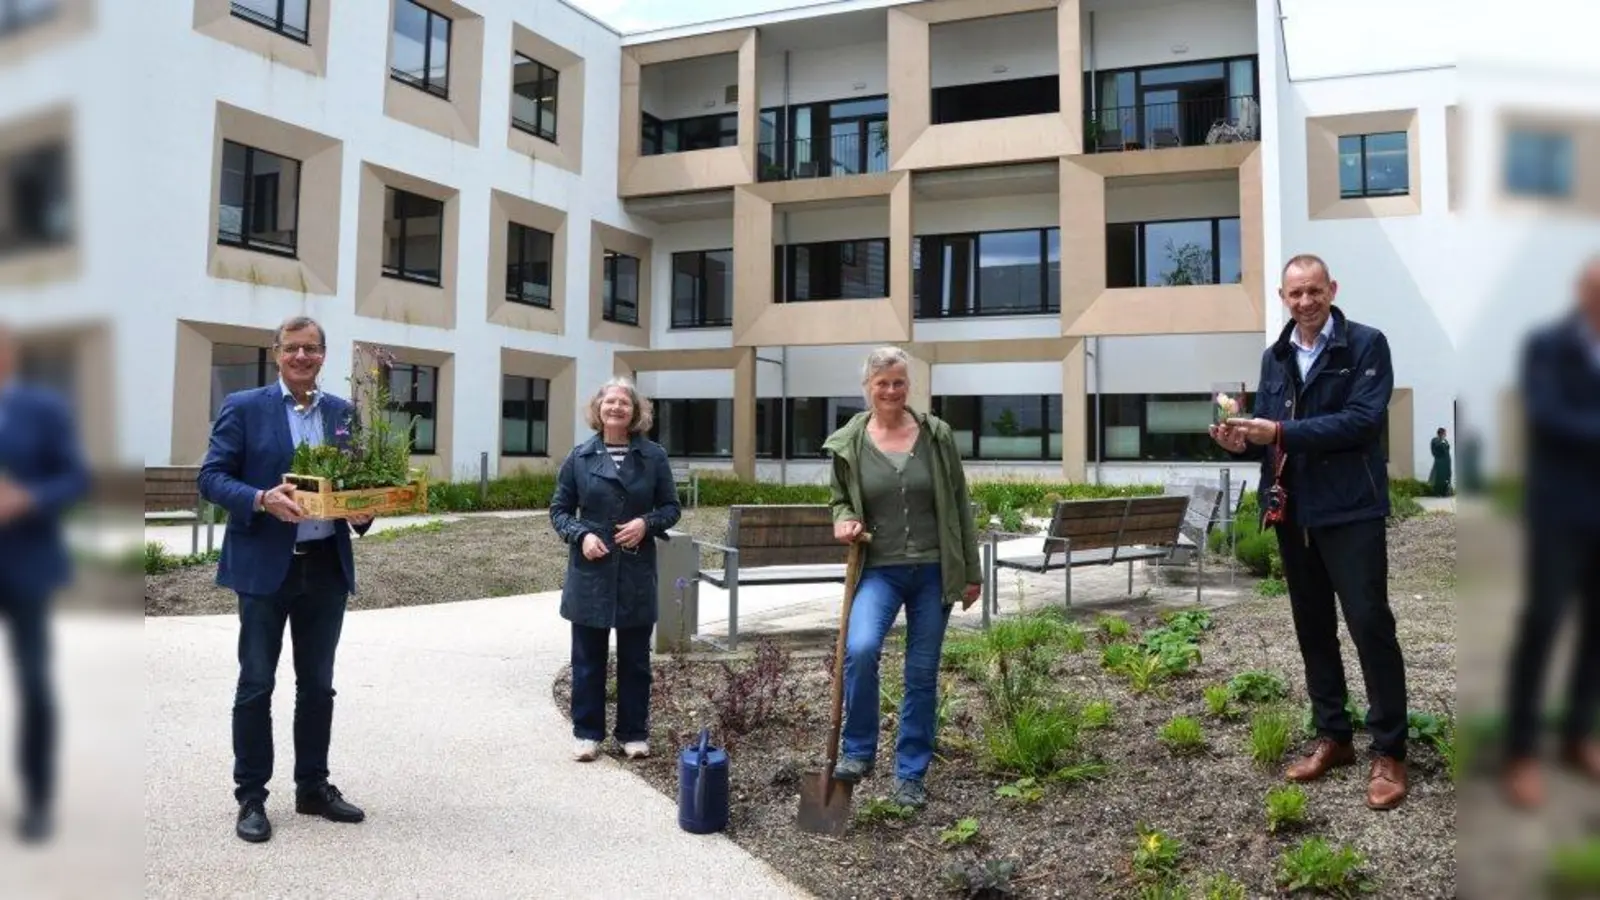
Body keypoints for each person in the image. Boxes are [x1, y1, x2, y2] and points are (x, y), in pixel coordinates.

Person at [1210, 253, 1411, 811]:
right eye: (1295, 294)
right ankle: (1334, 737)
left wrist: (1278, 429)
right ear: (1283, 296)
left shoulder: (1366, 345)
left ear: (1332, 290)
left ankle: (1390, 749)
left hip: (1351, 511)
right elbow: (1274, 437)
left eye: (1314, 291)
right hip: (1295, 514)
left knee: (1370, 625)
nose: (1305, 302)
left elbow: (1363, 422)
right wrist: (1244, 441)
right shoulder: (1274, 357)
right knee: (1313, 628)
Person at [197, 315, 372, 844]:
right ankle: (251, 795)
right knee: (256, 684)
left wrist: (366, 509)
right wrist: (259, 499)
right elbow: (210, 476)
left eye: (312, 349)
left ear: (324, 356)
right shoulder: (245, 408)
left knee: (317, 686)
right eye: (292, 349)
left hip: (324, 567)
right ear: (277, 354)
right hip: (264, 570)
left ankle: (313, 787)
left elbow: (359, 485)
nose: (302, 357)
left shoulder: (343, 414)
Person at [823, 346, 982, 810]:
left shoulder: (936, 435)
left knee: (920, 673)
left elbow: (959, 501)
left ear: (907, 386)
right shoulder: (848, 442)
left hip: (934, 570)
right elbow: (840, 501)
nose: (891, 391)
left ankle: (910, 775)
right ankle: (858, 751)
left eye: (898, 382)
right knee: (861, 647)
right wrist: (844, 520)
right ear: (868, 388)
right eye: (882, 383)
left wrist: (971, 573)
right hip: (880, 570)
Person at [1501, 256, 1600, 810]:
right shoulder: (1547, 346)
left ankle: (1577, 735)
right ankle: (1522, 753)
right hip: (1561, 516)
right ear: (1583, 293)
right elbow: (1548, 416)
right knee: (1542, 629)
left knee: (1597, 633)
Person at [549, 377, 680, 763]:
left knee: (635, 660)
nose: (617, 408)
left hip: (636, 569)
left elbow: (671, 508)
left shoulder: (653, 456)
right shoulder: (580, 457)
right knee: (588, 657)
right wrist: (581, 535)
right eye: (610, 402)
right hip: (592, 569)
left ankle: (633, 733)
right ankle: (587, 733)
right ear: (598, 409)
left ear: (635, 412)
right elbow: (559, 511)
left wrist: (646, 524)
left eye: (624, 402)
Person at [0, 324, 89, 843]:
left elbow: (76, 477)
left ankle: (37, 799)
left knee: (33, 684)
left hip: (26, 564)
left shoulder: (44, 409)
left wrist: (27, 499)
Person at [1427, 427, 1452, 497]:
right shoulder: (1435, 440)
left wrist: (1443, 441)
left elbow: (1447, 449)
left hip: (1446, 462)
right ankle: (1437, 493)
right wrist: (1441, 441)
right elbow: (1437, 448)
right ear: (1440, 433)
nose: (1445, 435)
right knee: (1439, 478)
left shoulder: (1445, 441)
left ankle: (1445, 492)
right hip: (1439, 462)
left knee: (1446, 477)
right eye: (1444, 433)